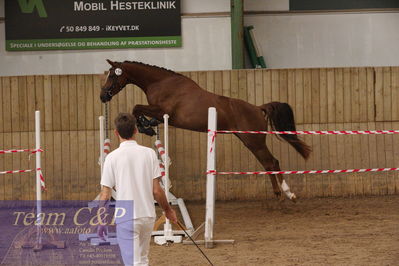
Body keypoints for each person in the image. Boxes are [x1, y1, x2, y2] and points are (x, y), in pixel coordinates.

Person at [97, 113, 177, 266]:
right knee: (142, 260)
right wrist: (167, 210)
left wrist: (101, 222)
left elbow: (105, 194)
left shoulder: (111, 158)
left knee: (132, 262)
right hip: (147, 215)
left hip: (126, 216)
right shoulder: (150, 154)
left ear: (116, 132)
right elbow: (157, 191)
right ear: (136, 130)